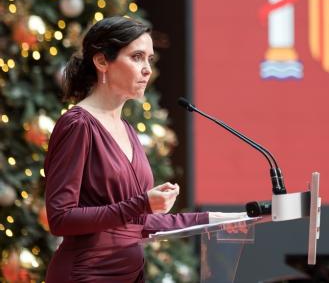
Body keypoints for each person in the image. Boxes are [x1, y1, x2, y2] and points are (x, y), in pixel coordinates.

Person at [44, 16, 243, 282]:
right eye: (137, 57)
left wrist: (211, 219)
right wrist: (142, 203)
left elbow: (134, 223)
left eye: (149, 59)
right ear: (102, 61)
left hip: (130, 275)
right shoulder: (78, 124)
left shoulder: (127, 129)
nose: (147, 69)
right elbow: (60, 218)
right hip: (85, 274)